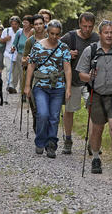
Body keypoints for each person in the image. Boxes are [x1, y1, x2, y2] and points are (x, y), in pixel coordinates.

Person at [76, 20, 112, 179]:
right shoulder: (90, 51)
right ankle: (96, 158)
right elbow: (81, 74)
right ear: (100, 34)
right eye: (106, 32)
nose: (109, 35)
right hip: (96, 95)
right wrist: (89, 76)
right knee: (97, 130)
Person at [24, 20, 72, 158]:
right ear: (47, 32)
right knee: (43, 114)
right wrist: (27, 86)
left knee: (54, 117)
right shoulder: (37, 46)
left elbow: (67, 68)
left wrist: (68, 88)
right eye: (51, 33)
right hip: (40, 86)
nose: (54, 37)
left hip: (58, 86)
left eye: (57, 34)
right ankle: (40, 141)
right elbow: (31, 65)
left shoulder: (63, 47)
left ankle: (51, 144)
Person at [59, 12, 99, 154]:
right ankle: (68, 140)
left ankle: (92, 142)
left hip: (90, 82)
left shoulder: (97, 38)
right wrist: (67, 54)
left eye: (90, 26)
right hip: (73, 81)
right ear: (79, 24)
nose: (87, 29)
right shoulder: (69, 37)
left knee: (94, 111)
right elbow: (54, 51)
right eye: (84, 26)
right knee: (69, 111)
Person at [21, 15, 47, 132]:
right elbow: (23, 60)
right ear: (33, 26)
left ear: (44, 24)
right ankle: (37, 126)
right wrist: (26, 60)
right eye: (36, 24)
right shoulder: (30, 41)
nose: (38, 26)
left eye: (40, 24)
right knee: (35, 105)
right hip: (33, 76)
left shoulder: (51, 38)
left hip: (48, 76)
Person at [1, 16, 21, 94]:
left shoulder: (21, 31)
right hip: (8, 54)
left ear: (19, 24)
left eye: (15, 24)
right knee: (9, 69)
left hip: (18, 54)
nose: (14, 26)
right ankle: (10, 85)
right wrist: (5, 39)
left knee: (16, 72)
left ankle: (14, 87)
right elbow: (1, 40)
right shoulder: (6, 30)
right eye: (12, 24)